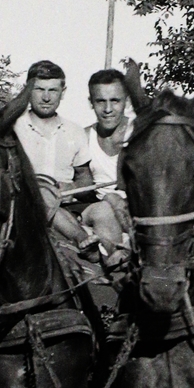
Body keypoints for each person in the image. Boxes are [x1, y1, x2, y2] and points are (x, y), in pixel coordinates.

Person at [14, 60, 96, 251]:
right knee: (42, 195)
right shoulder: (14, 128)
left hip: (67, 207)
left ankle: (114, 263)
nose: (46, 97)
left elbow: (85, 179)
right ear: (27, 90)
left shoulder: (74, 131)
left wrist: (74, 187)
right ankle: (82, 240)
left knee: (104, 210)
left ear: (63, 92)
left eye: (53, 90)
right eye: (39, 89)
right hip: (25, 207)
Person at [80, 68, 134, 266]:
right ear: (91, 103)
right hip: (100, 213)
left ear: (126, 101)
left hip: (135, 210)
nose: (108, 109)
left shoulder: (140, 133)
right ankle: (117, 260)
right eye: (100, 101)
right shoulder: (83, 137)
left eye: (115, 101)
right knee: (104, 206)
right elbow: (80, 184)